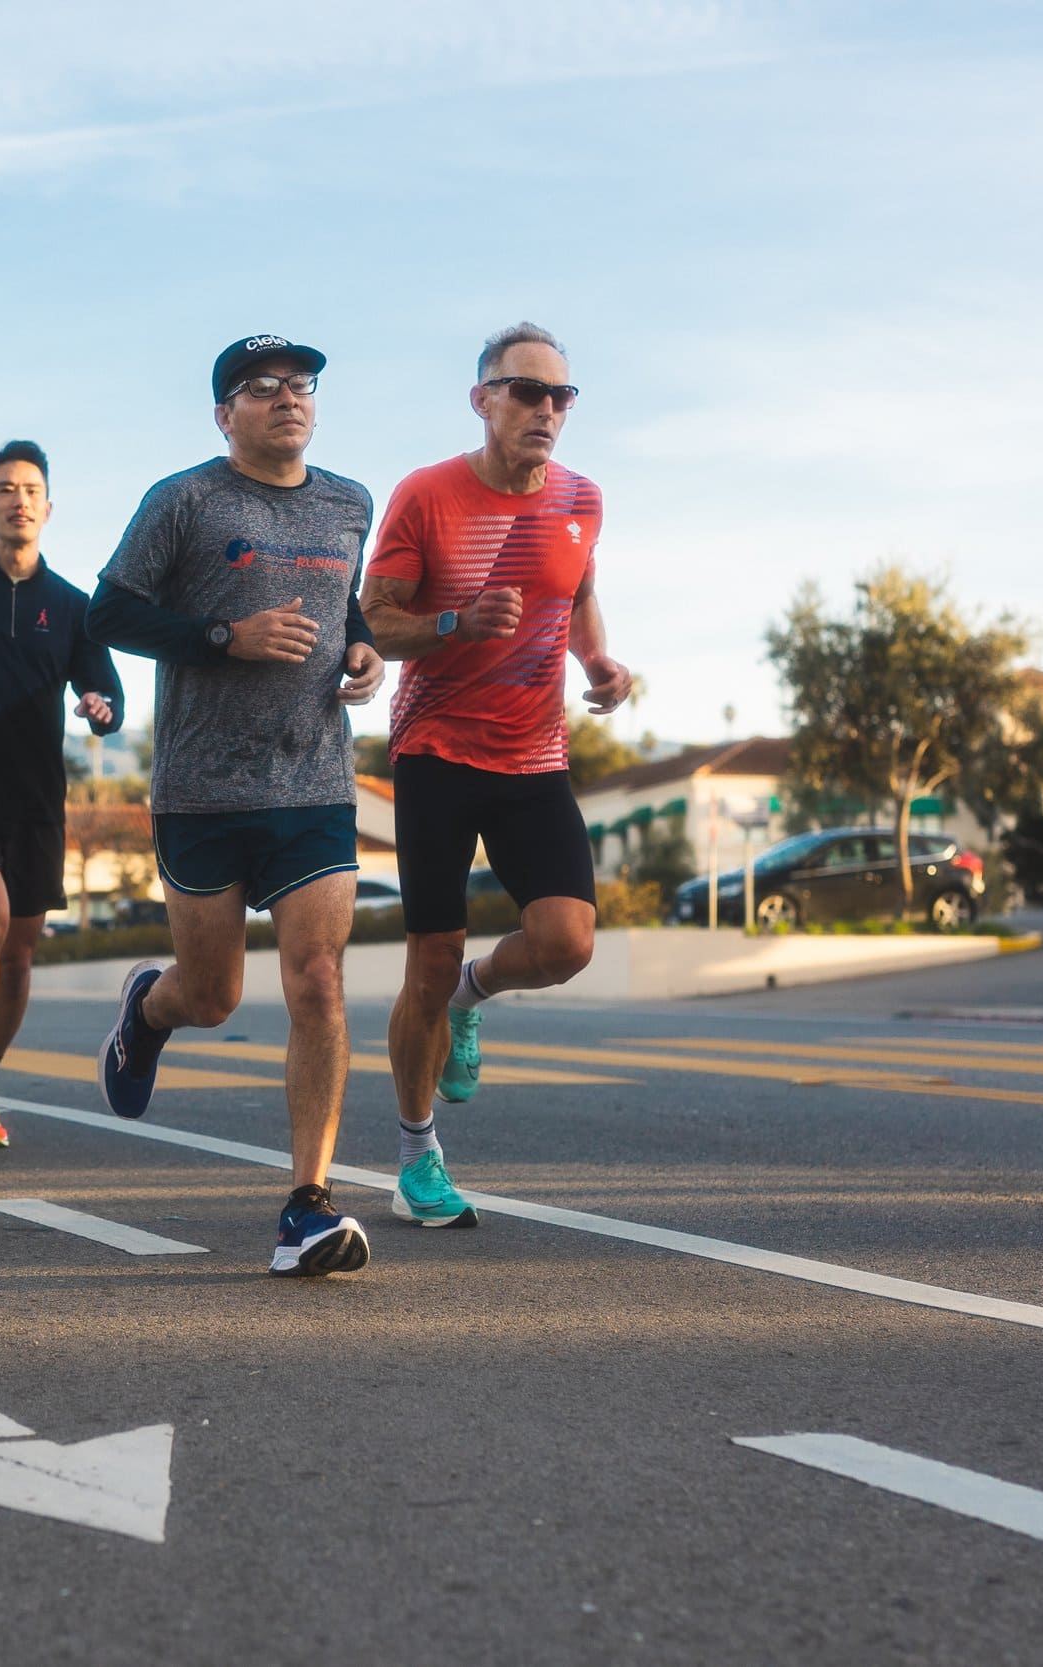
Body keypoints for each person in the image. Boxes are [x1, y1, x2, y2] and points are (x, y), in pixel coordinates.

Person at [89, 335, 384, 1277]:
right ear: (225, 414)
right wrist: (225, 633)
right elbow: (110, 614)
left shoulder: (349, 502)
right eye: (263, 388)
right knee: (213, 995)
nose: (288, 399)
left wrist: (364, 650)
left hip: (313, 780)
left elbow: (352, 606)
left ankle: (309, 1203)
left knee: (318, 981)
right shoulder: (183, 500)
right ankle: (150, 1009)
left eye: (300, 386)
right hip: (201, 783)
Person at [359, 323, 631, 1228]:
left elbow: (577, 583)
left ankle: (477, 996)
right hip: (435, 751)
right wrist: (455, 626)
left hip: (534, 754)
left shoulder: (582, 498)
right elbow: (375, 621)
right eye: (525, 391)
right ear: (483, 399)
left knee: (567, 944)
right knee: (427, 962)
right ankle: (415, 1153)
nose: (545, 410)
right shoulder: (427, 497)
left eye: (561, 396)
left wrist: (598, 660)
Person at [0, 441, 124, 1147]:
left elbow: (105, 684)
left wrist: (101, 705)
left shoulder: (72, 605)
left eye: (31, 488)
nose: (18, 499)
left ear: (48, 506)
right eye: (5, 488)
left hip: (37, 800)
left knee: (20, 952)